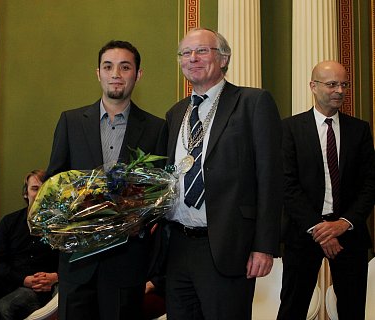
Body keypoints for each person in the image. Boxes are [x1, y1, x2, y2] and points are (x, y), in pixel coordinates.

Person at [158, 27, 283, 319]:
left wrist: (264, 246)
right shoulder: (175, 113)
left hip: (228, 246)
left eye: (202, 50)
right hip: (177, 246)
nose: (193, 58)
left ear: (224, 58)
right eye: (186, 53)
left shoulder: (253, 102)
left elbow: (270, 178)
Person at [45, 40, 164, 320]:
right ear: (98, 73)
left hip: (127, 263)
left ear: (138, 74)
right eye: (108, 67)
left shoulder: (157, 128)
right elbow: (54, 182)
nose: (116, 74)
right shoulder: (71, 121)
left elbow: (158, 193)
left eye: (125, 67)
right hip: (77, 262)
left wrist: (139, 221)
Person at [277, 60, 375, 320]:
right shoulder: (290, 129)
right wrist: (320, 230)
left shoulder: (360, 129)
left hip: (350, 236)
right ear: (313, 86)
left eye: (344, 84)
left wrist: (344, 223)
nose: (340, 91)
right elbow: (287, 185)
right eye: (332, 84)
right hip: (303, 232)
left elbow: (370, 184)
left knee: (352, 310)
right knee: (292, 309)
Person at [0, 169, 59, 320]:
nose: (40, 193)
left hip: (38, 291)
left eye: (45, 189)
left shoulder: (60, 225)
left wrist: (54, 277)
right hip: (7, 284)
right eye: (35, 188)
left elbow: (69, 262)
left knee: (4, 307)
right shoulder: (9, 222)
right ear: (26, 193)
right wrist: (23, 279)